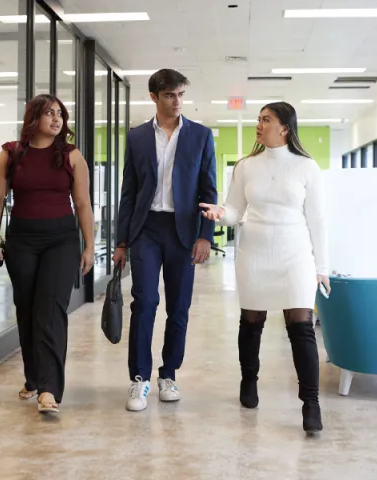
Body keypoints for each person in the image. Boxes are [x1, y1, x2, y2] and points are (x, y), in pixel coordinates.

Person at [200, 102, 329, 434]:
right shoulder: (245, 166)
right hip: (255, 252)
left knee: (301, 327)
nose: (259, 124)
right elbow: (234, 210)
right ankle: (248, 382)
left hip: (295, 254)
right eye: (258, 119)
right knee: (251, 321)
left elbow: (318, 221)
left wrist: (322, 266)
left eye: (266, 119)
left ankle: (311, 403)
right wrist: (219, 213)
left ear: (285, 127)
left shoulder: (306, 166)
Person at [0, 94, 94, 414]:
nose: (57, 119)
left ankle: (49, 389)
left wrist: (88, 245)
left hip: (61, 241)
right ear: (33, 118)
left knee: (50, 310)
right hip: (22, 240)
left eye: (60, 114)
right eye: (49, 113)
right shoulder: (11, 153)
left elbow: (83, 204)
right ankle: (33, 378)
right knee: (27, 309)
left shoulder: (71, 156)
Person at [114, 68, 217, 411]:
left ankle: (168, 374)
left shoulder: (201, 136)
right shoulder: (137, 137)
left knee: (179, 307)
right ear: (154, 97)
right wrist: (121, 242)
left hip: (183, 231)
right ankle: (140, 379)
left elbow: (208, 190)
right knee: (144, 302)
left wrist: (205, 236)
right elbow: (128, 193)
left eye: (181, 95)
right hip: (146, 229)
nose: (177, 102)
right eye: (170, 95)